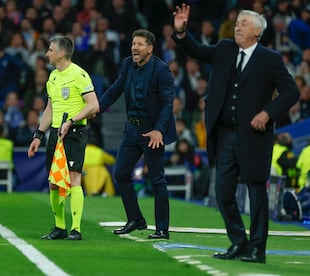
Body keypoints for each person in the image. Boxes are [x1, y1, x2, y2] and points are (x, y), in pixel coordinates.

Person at [172, 4, 300, 263]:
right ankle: (239, 242)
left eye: (243, 23)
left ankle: (257, 249)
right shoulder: (224, 49)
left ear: (257, 32)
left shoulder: (270, 59)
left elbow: (291, 93)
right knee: (222, 192)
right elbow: (196, 51)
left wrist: (267, 113)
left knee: (256, 191)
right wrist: (183, 32)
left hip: (254, 137)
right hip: (225, 135)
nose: (238, 26)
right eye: (238, 22)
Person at [99, 29, 176, 239]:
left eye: (140, 44)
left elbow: (168, 103)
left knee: (157, 179)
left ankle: (162, 229)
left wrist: (159, 130)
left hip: (152, 132)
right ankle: (136, 219)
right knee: (121, 173)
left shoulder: (161, 70)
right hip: (132, 130)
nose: (135, 47)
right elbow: (115, 90)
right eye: (134, 43)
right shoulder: (127, 64)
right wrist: (96, 108)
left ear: (149, 49)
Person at [27, 36, 99, 241]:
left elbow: (94, 105)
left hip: (74, 132)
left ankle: (76, 229)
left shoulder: (79, 75)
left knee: (74, 177)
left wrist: (72, 121)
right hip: (55, 133)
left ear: (61, 53)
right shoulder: (53, 77)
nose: (47, 53)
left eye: (50, 50)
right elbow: (50, 108)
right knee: (53, 181)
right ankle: (59, 227)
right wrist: (38, 135)